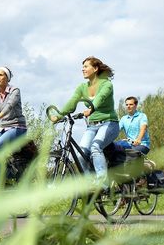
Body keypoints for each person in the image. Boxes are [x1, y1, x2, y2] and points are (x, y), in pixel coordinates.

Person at [50, 56, 119, 190]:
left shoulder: (106, 84)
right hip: (92, 125)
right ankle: (90, 184)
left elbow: (101, 97)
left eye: (86, 66)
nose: (83, 69)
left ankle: (102, 183)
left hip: (109, 123)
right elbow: (72, 102)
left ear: (95, 68)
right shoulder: (82, 87)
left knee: (95, 147)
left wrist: (91, 108)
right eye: (82, 67)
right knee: (81, 152)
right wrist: (59, 115)